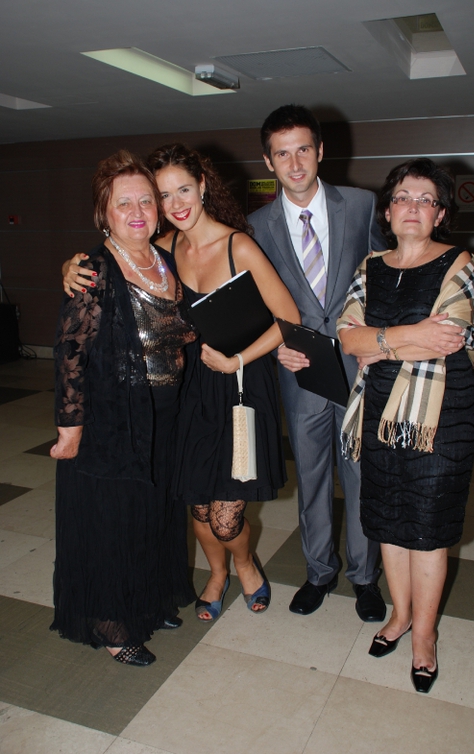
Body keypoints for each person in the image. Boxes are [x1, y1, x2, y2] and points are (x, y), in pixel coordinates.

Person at [63, 143, 301, 622]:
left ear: (203, 186)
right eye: (164, 195)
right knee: (197, 507)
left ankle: (244, 563)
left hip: (239, 387)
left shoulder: (238, 246)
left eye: (184, 190)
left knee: (226, 516)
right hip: (190, 387)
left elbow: (289, 318)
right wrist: (71, 268)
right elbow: (117, 260)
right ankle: (216, 573)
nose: (175, 204)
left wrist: (237, 360)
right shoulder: (164, 249)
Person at [337, 158, 474, 693]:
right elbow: (346, 336)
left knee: (427, 529)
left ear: (440, 213)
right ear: (388, 210)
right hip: (378, 411)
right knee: (386, 522)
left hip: (440, 416)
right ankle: (399, 615)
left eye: (425, 199)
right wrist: (406, 335)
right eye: (402, 197)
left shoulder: (460, 262)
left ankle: (424, 636)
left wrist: (377, 343)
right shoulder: (369, 266)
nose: (412, 206)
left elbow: (448, 337)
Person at [51, 150, 197, 666]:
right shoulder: (93, 270)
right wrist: (70, 427)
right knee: (114, 520)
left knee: (153, 514)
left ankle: (150, 600)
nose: (137, 212)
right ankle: (111, 622)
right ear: (104, 212)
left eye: (145, 201)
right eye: (123, 203)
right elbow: (71, 352)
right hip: (114, 417)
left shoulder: (166, 257)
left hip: (164, 411)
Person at [249, 105, 387, 620]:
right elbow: (256, 305)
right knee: (311, 477)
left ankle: (365, 577)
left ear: (320, 151)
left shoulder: (362, 205)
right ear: (269, 162)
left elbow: (390, 273)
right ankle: (319, 572)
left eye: (303, 149)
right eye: (282, 154)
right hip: (300, 369)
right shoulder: (256, 226)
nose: (295, 163)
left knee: (360, 474)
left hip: (358, 366)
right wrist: (273, 346)